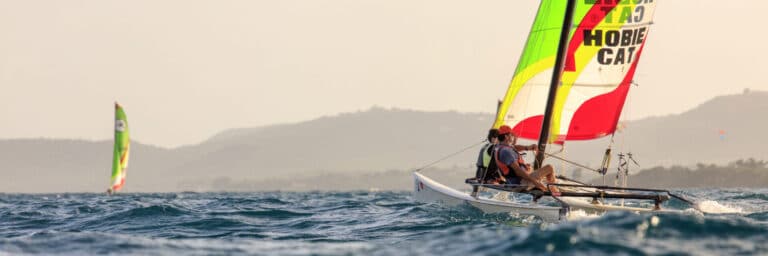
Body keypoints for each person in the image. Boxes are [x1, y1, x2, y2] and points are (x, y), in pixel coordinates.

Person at [493, 125, 559, 193]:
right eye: (511, 135)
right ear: (506, 136)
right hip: (520, 184)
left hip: (519, 181)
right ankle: (554, 192)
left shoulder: (500, 147)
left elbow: (515, 147)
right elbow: (518, 172)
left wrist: (528, 148)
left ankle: (550, 189)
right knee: (549, 168)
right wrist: (535, 182)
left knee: (534, 170)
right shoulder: (506, 152)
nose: (513, 136)